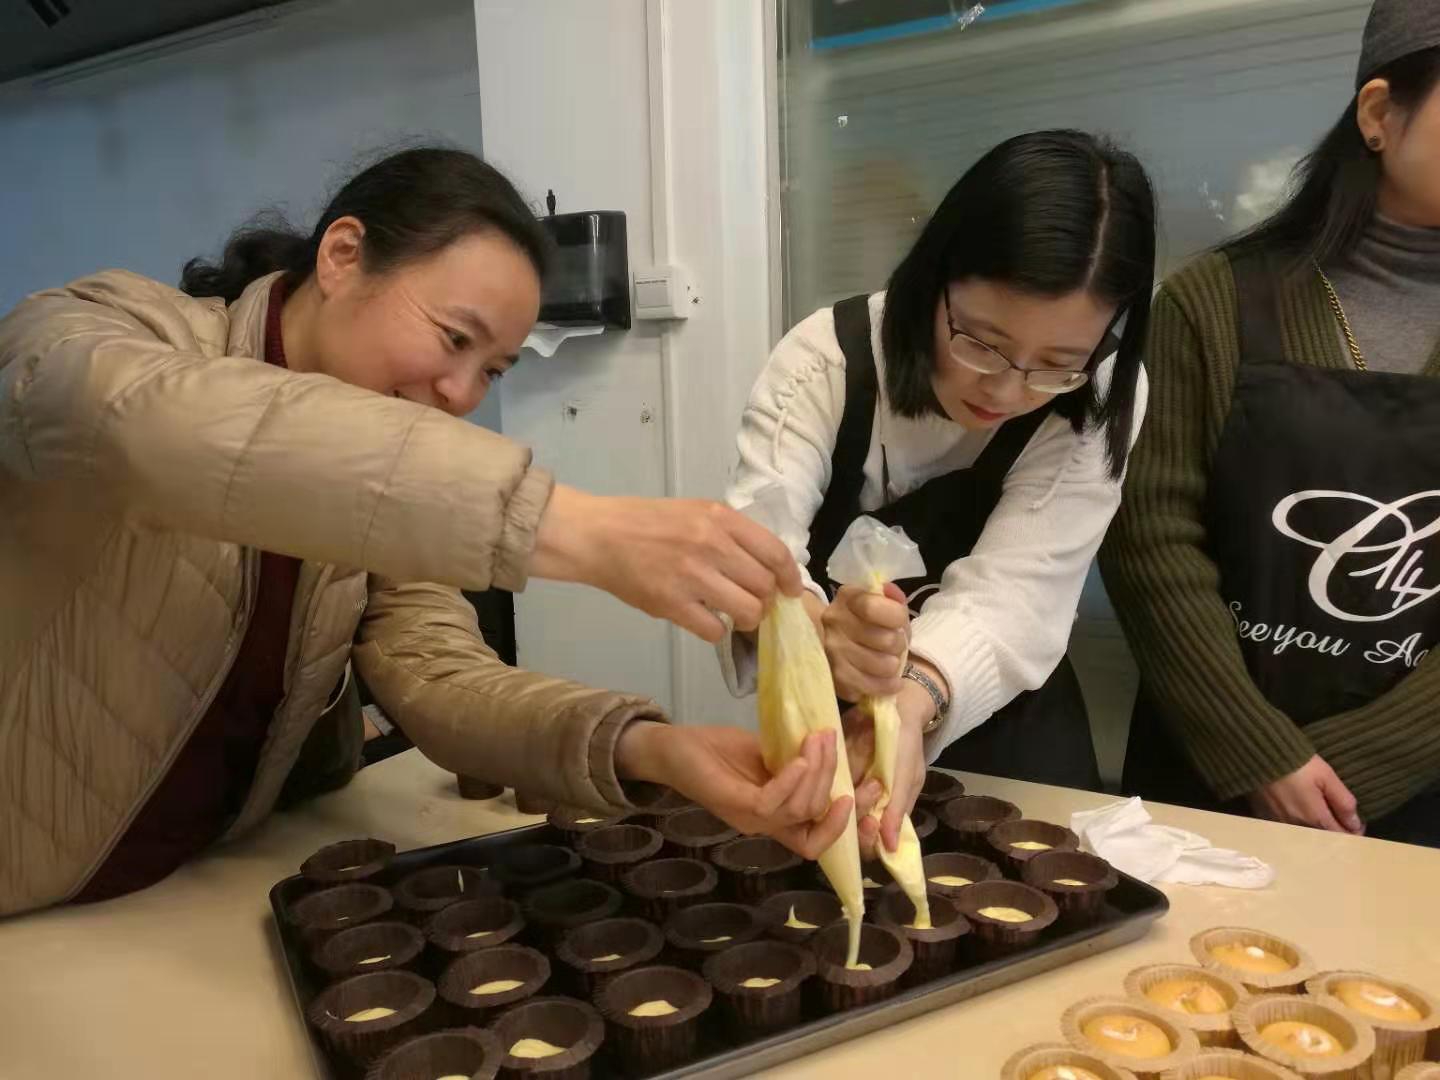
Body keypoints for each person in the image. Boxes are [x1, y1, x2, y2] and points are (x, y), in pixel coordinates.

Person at [0, 147, 849, 917]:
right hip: (34, 908)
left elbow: (439, 675)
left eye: (492, 370)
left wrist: (654, 750)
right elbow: (144, 431)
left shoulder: (383, 490)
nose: (461, 394)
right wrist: (575, 528)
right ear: (342, 256)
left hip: (197, 890)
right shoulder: (96, 329)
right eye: (453, 338)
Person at [721, 131, 1156, 854]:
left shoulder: (1103, 393)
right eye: (981, 343)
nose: (1007, 391)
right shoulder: (824, 364)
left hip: (1007, 720)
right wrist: (817, 632)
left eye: (1057, 364)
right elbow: (757, 550)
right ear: (935, 276)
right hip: (828, 722)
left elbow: (1018, 595)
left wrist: (910, 699)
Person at [1101, 0, 1440, 847]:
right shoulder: (1214, 301)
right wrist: (1260, 753)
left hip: (1421, 791)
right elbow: (1149, 536)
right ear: (1378, 114)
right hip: (1208, 775)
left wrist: (1369, 762)